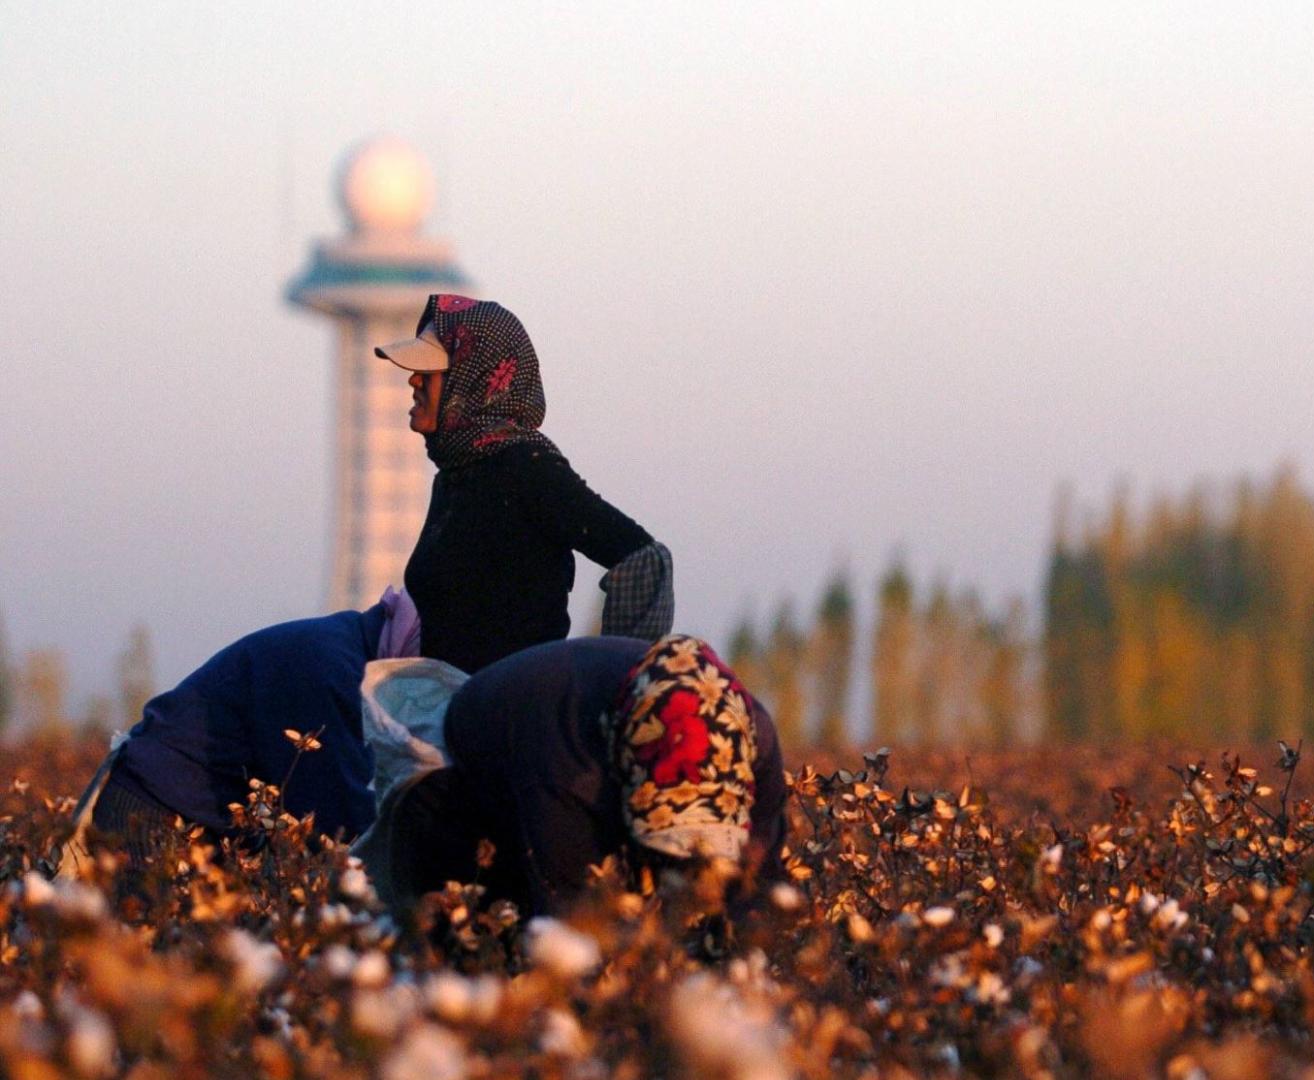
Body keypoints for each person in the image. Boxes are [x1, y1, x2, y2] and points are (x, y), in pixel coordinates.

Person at [356, 634, 788, 918]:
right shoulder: (567, 765)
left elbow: (757, 878)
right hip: (470, 781)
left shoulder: (755, 740)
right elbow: (570, 915)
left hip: (566, 749)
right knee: (490, 924)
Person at [377, 295, 672, 673]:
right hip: (453, 719)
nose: (413, 380)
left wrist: (616, 683)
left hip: (509, 724)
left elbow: (643, 558)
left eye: (430, 372)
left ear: (471, 379)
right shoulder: (456, 477)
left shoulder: (525, 469)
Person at [63, 589, 423, 868]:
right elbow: (341, 823)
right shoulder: (333, 670)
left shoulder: (351, 648)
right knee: (154, 958)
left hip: (200, 829)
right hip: (151, 817)